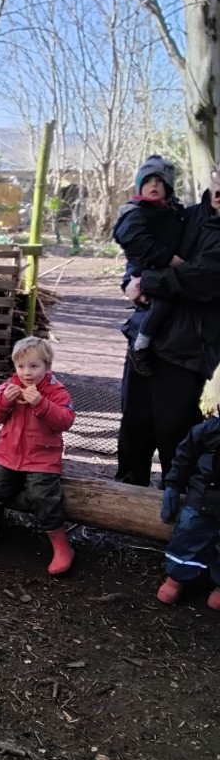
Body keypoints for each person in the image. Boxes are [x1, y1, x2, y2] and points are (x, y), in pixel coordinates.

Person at [116, 166, 220, 487]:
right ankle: (122, 505)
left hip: (188, 348)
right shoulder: (183, 214)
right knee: (134, 426)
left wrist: (147, 281)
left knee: (174, 431)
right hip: (144, 337)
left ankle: (172, 513)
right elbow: (142, 247)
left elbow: (203, 278)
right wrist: (130, 282)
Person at [0, 337, 76, 575]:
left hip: (42, 458)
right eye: (21, 367)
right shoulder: (10, 386)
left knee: (43, 496)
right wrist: (3, 401)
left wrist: (42, 404)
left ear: (47, 367)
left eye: (34, 366)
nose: (26, 373)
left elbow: (66, 420)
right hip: (8, 455)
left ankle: (61, 545)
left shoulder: (56, 392)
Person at [113, 155, 185, 376]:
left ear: (169, 187)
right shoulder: (134, 212)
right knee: (159, 306)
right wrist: (168, 258)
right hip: (142, 272)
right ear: (139, 185)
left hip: (163, 274)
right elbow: (133, 241)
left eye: (160, 181)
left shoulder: (175, 212)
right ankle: (140, 346)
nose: (154, 185)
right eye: (148, 181)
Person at [156, 413, 220, 610]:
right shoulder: (210, 429)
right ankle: (176, 578)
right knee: (189, 533)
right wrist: (173, 484)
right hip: (203, 495)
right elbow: (185, 454)